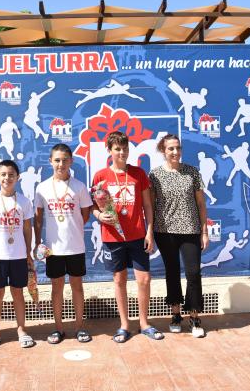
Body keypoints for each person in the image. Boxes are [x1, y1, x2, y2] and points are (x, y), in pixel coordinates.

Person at [91, 131, 162, 343]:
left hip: (138, 235)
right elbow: (93, 206)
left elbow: (148, 205)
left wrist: (150, 231)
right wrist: (99, 215)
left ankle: (144, 323)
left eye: (125, 148)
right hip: (113, 237)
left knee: (144, 279)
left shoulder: (139, 174)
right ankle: (124, 325)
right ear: (109, 151)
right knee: (119, 279)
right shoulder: (100, 176)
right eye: (117, 149)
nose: (122, 152)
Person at [149, 134, 208, 338]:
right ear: (163, 151)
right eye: (170, 149)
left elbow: (201, 204)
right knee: (172, 272)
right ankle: (175, 315)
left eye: (177, 148)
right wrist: (149, 230)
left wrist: (205, 231)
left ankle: (194, 316)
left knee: (193, 273)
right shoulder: (154, 175)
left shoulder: (192, 172)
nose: (175, 152)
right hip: (164, 232)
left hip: (191, 230)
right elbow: (150, 206)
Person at [34, 144, 93, 344]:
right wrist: (37, 243)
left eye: (65, 160)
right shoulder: (42, 188)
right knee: (56, 288)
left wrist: (72, 227)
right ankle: (58, 328)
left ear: (71, 161)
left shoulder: (79, 187)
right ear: (50, 161)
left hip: (75, 246)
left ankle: (79, 327)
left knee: (77, 286)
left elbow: (85, 215)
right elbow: (38, 219)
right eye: (57, 160)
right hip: (53, 249)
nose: (61, 164)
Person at [0, 160, 35, 350]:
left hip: (18, 256)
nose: (7, 178)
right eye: (3, 174)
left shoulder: (25, 202)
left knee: (18, 293)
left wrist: (28, 253)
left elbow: (28, 230)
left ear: (17, 178)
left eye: (11, 174)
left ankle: (21, 330)